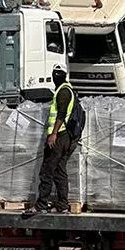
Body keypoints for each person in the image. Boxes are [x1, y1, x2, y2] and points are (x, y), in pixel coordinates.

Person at [32, 68, 81, 213]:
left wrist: (53, 134)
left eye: (57, 75)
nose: (55, 77)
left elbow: (61, 113)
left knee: (47, 170)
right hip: (65, 137)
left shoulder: (63, 92)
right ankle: (62, 204)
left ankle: (41, 205)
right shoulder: (67, 89)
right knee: (59, 170)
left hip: (59, 136)